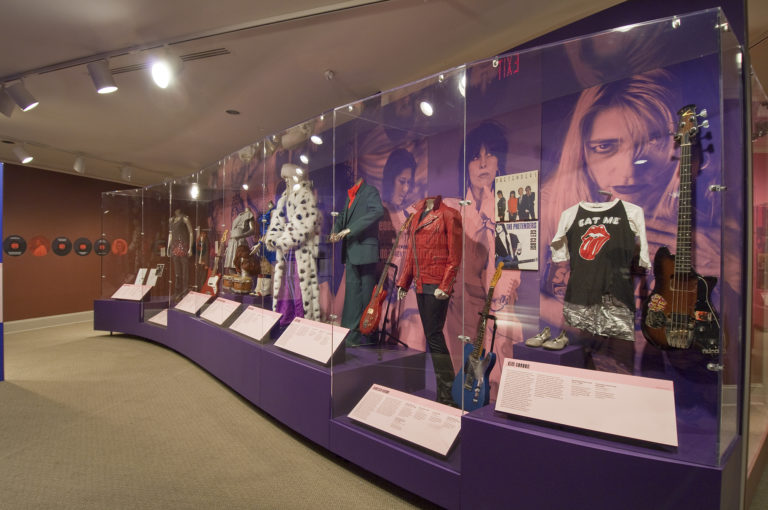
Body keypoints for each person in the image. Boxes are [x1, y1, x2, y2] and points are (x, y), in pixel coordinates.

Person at [539, 69, 720, 374]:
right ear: (581, 149)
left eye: (650, 143)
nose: (629, 173)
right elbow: (532, 297)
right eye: (605, 147)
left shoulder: (705, 242)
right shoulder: (561, 215)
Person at [397, 196, 462, 406]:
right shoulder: (416, 217)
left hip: (436, 283)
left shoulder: (449, 215)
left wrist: (446, 285)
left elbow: (455, 255)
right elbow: (411, 255)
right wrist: (404, 282)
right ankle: (446, 392)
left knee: (434, 335)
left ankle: (448, 393)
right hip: (421, 282)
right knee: (432, 335)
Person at [329, 176, 384, 346]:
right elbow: (343, 216)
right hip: (352, 250)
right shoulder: (350, 196)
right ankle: (351, 336)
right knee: (352, 295)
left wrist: (350, 229)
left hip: (365, 250)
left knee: (367, 294)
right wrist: (335, 230)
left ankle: (368, 335)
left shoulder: (370, 191)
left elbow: (378, 211)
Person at [168, 209, 193, 298]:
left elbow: (191, 232)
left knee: (185, 270)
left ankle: (185, 291)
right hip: (174, 247)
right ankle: (177, 291)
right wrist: (169, 246)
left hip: (183, 246)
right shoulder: (171, 220)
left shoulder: (185, 219)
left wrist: (190, 248)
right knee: (177, 272)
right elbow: (170, 234)